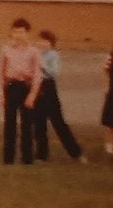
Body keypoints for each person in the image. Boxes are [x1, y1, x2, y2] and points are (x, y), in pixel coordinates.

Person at [33, 30, 87, 163]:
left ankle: (76, 152)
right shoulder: (34, 54)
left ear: (51, 44)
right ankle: (41, 155)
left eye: (46, 41)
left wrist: (41, 64)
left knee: (58, 122)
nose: (42, 44)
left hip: (49, 87)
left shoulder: (53, 55)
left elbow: (54, 72)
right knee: (39, 123)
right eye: (40, 41)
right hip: (36, 87)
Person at [0, 18, 42, 165]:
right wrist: (1, 93)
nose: (18, 35)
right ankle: (8, 157)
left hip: (26, 87)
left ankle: (27, 158)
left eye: (22, 32)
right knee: (9, 123)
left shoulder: (34, 52)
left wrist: (32, 95)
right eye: (16, 32)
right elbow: (1, 73)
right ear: (12, 33)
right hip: (11, 87)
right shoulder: (6, 50)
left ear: (27, 33)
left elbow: (37, 74)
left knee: (27, 124)